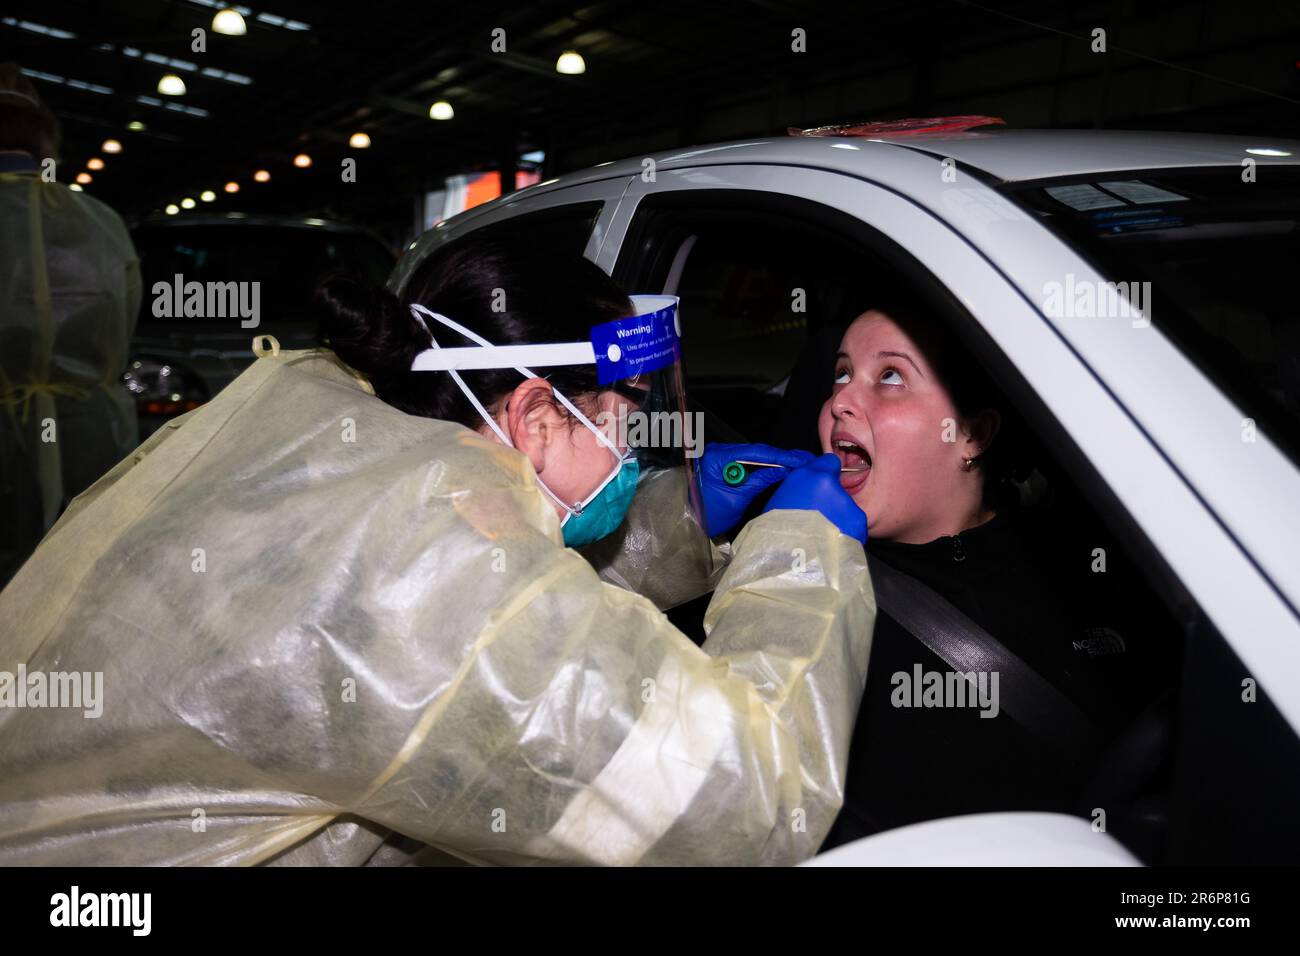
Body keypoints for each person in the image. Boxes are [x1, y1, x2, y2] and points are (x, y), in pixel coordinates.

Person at [0, 235, 875, 866]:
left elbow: (520, 591)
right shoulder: (437, 579)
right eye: (623, 416)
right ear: (536, 414)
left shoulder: (355, 446)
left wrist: (679, 521)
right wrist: (804, 549)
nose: (636, 444)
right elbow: (751, 804)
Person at [809, 302, 1179, 850]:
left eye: (890, 376)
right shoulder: (808, 588)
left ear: (972, 436)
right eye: (841, 373)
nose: (841, 399)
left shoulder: (1090, 567)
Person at [0, 64, 142, 588]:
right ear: (45, 143)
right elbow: (123, 323)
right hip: (88, 432)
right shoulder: (98, 220)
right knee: (77, 571)